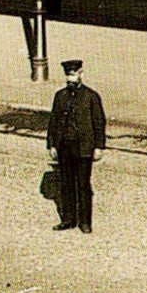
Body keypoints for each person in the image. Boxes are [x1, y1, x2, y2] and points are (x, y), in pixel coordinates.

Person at [47, 59, 106, 233]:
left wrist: (99, 146)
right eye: (68, 75)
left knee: (83, 185)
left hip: (84, 148)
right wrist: (52, 145)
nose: (70, 79)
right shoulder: (60, 96)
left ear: (81, 74)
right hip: (65, 147)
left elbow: (99, 122)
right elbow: (54, 122)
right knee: (66, 184)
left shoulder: (91, 97)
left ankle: (85, 222)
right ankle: (68, 219)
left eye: (73, 74)